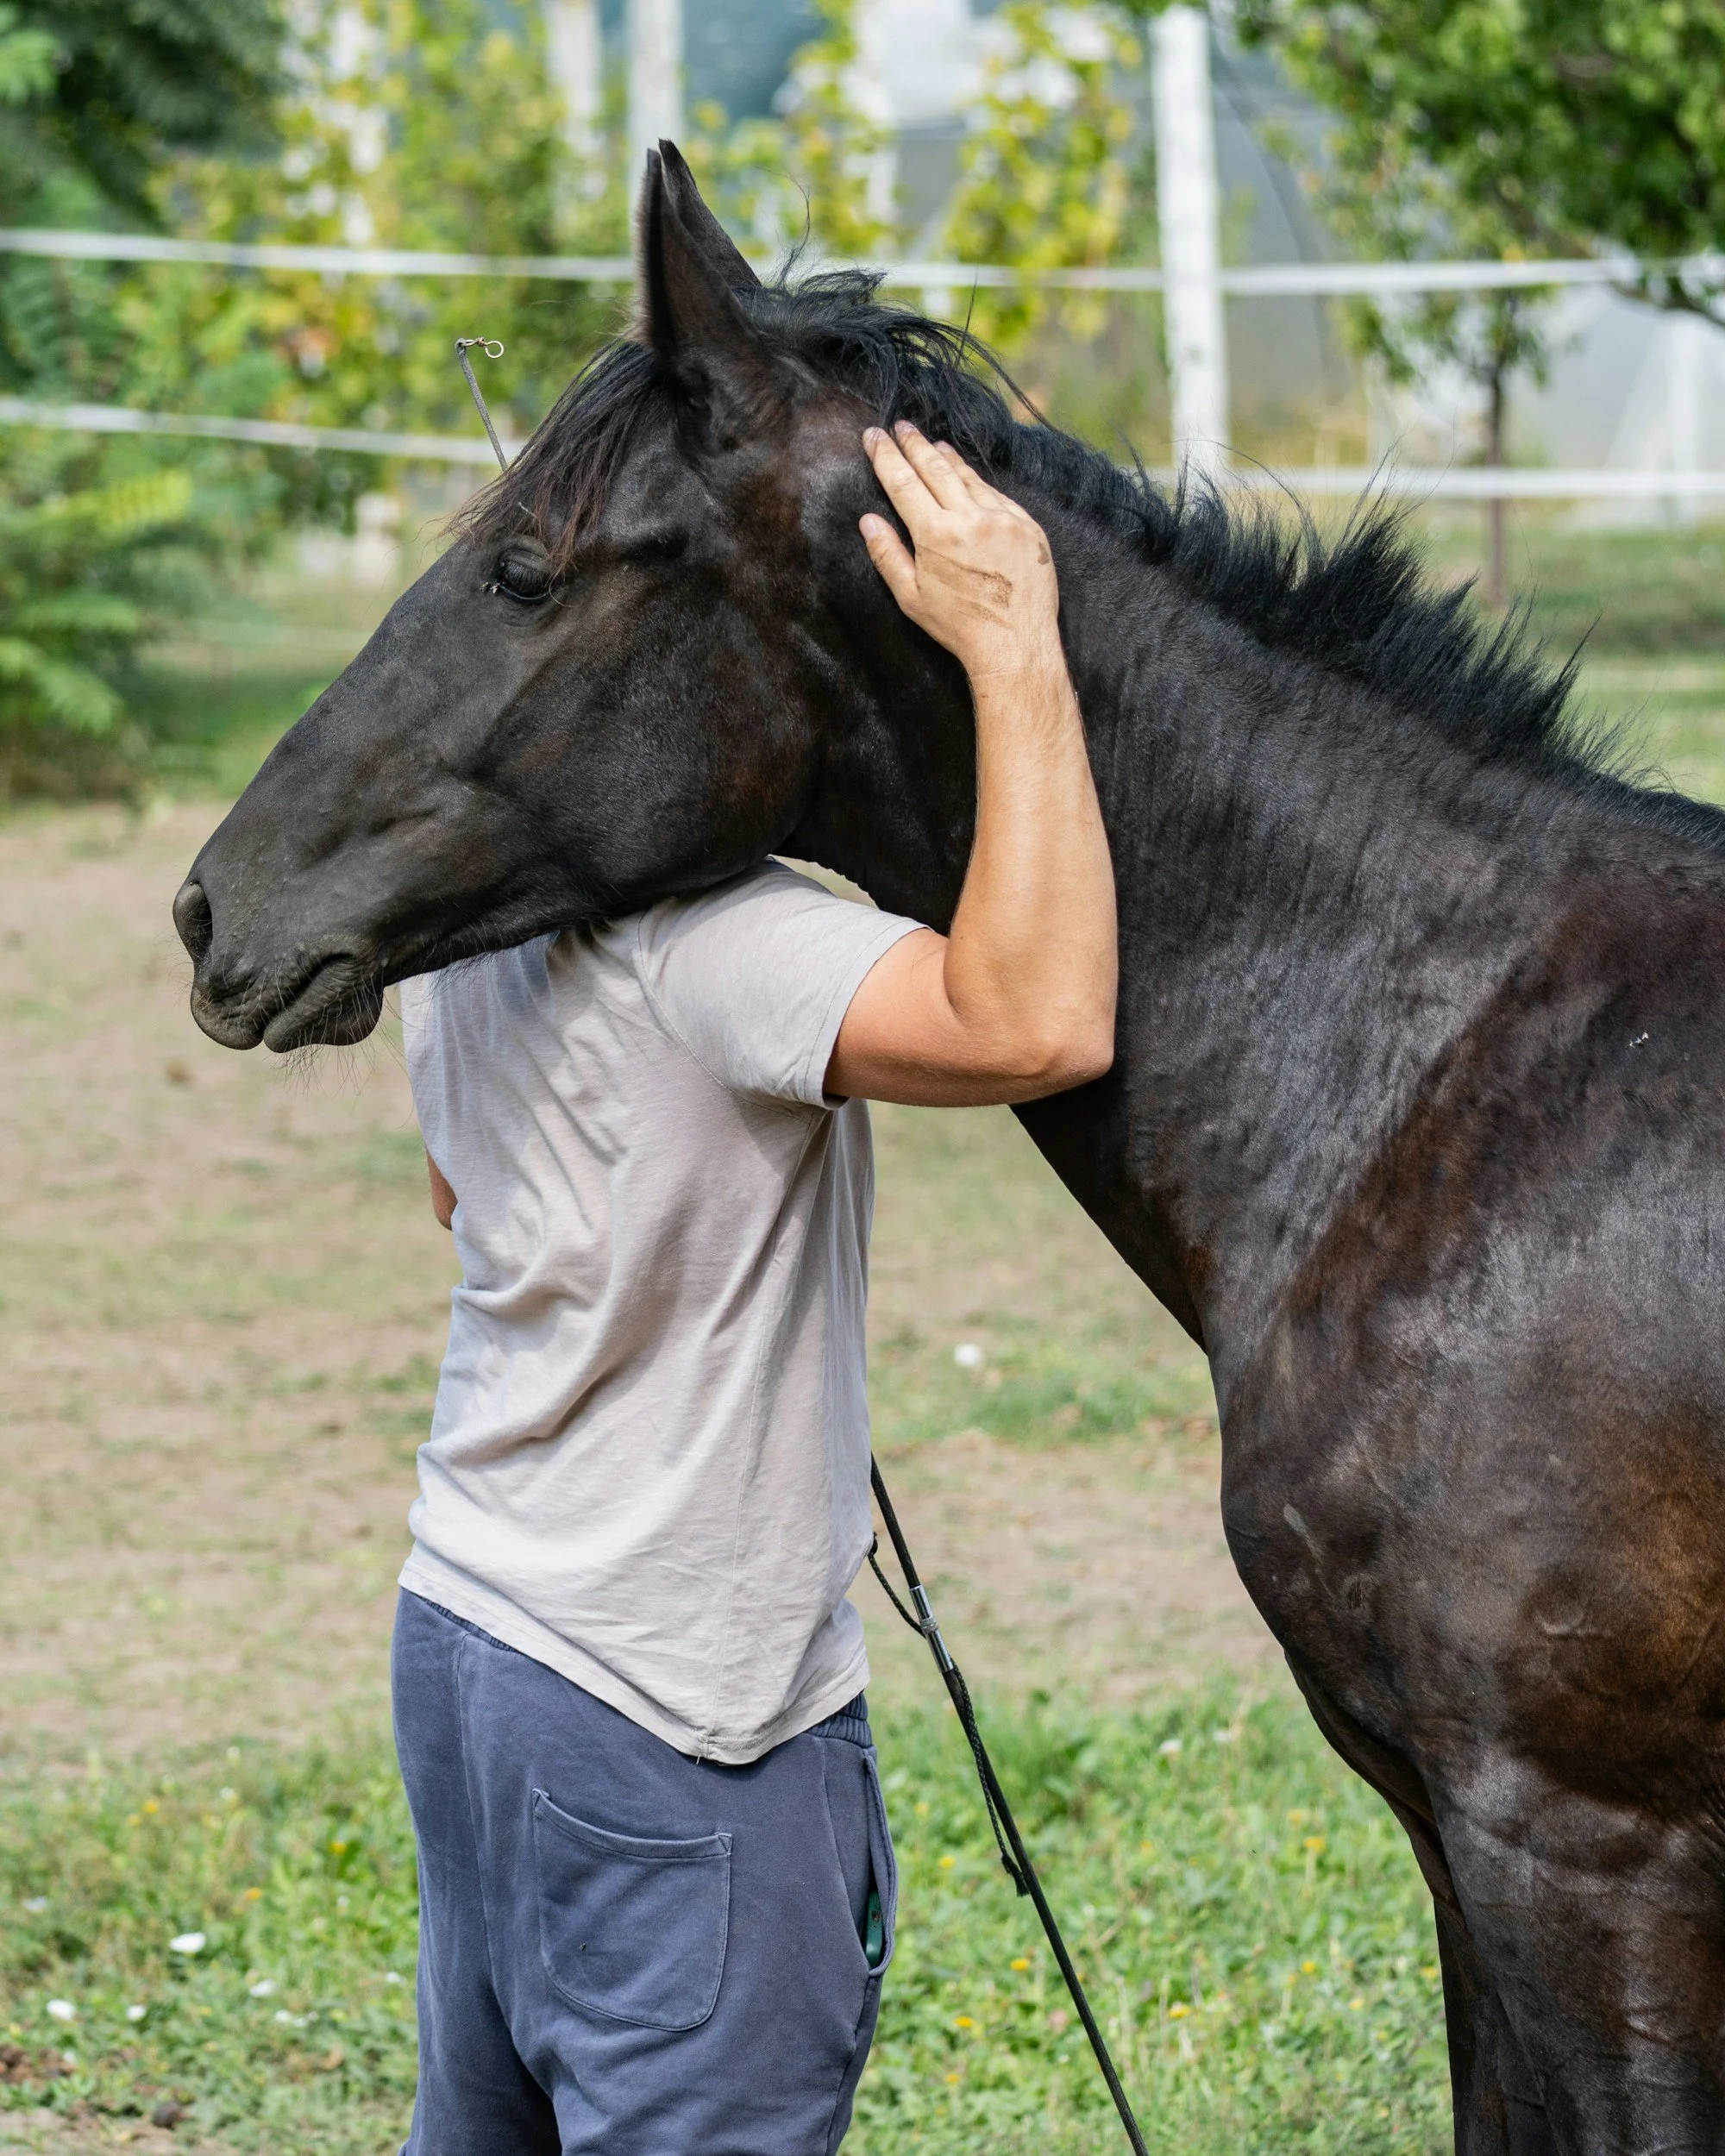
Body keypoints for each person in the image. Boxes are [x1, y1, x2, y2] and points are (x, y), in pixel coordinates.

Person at [391, 423, 1118, 2156]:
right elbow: (1037, 1017)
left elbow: (458, 1186)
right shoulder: (722, 947)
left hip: (475, 1622)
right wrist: (1013, 647)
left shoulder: (456, 917)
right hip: (675, 1708)